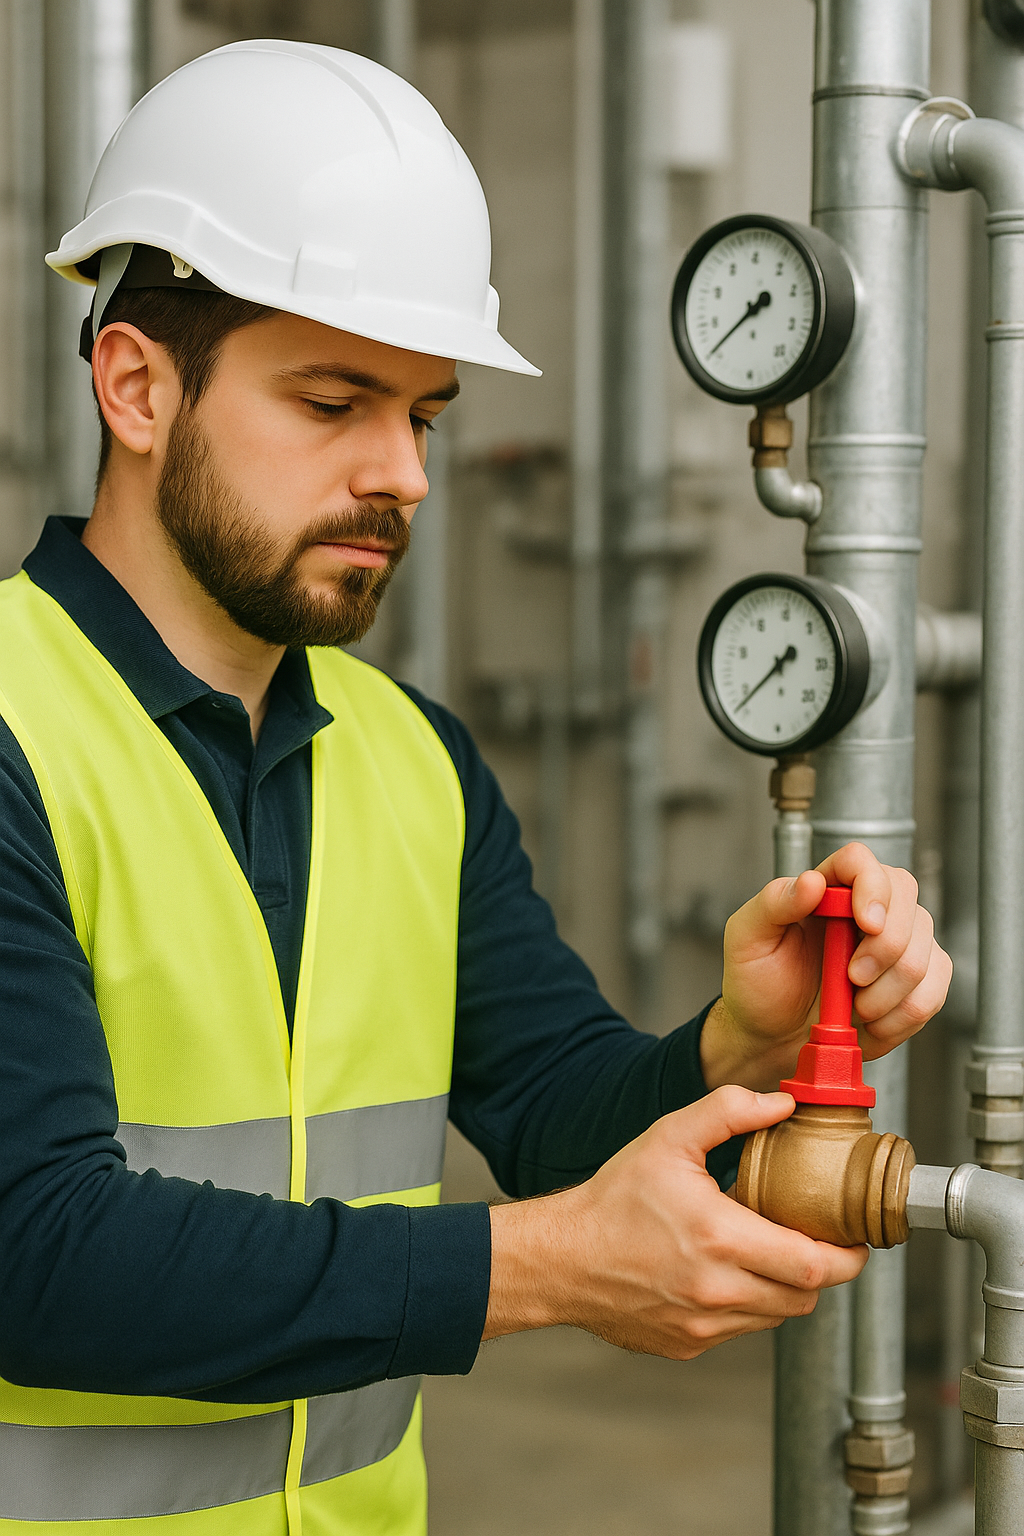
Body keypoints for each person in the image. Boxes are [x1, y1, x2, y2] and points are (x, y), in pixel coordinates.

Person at [0, 38, 951, 1536]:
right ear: (136, 386)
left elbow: (557, 1109)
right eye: (333, 404)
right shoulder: (11, 731)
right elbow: (32, 1251)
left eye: (425, 414)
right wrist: (543, 1268)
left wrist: (732, 1040)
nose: (406, 475)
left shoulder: (411, 758)